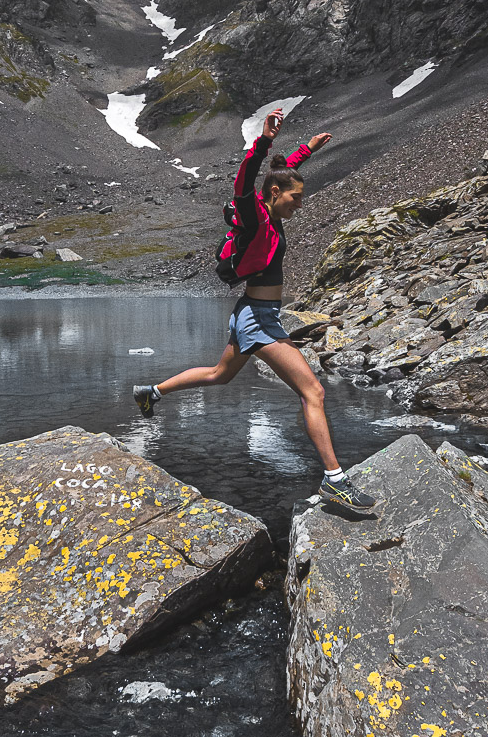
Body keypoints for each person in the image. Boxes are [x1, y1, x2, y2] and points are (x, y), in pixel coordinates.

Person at [133, 107, 376, 512]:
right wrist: (263, 141)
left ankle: (150, 392)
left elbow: (279, 176)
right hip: (258, 320)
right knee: (313, 391)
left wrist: (305, 151)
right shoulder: (254, 215)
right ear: (275, 197)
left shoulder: (273, 207)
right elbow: (248, 181)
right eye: (296, 199)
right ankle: (335, 480)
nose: (300, 205)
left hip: (255, 314)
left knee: (218, 375)